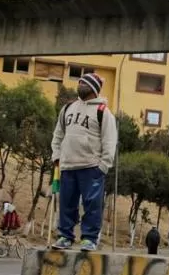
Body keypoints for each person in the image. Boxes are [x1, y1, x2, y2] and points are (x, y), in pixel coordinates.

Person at [50, 73, 118, 252]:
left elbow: (110, 142)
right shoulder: (67, 109)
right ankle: (65, 236)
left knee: (92, 205)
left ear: (93, 88)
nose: (80, 85)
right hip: (67, 166)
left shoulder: (103, 112)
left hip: (91, 167)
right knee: (66, 204)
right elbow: (58, 135)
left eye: (84, 83)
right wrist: (56, 156)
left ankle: (89, 239)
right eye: (79, 82)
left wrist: (103, 166)